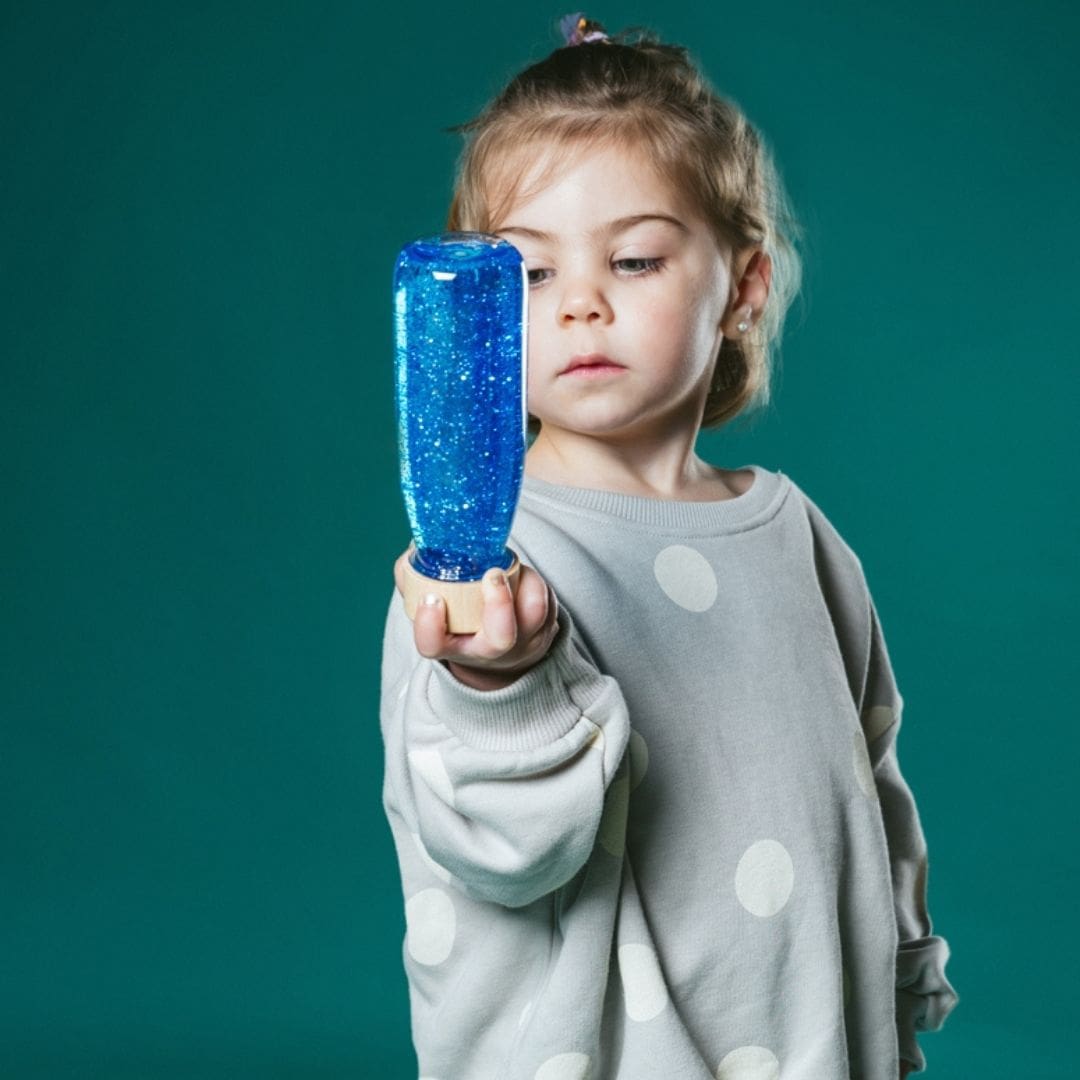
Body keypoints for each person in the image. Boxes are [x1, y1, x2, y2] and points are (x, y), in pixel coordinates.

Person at [379, 14, 959, 1079]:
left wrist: (901, 982)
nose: (581, 303)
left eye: (635, 258)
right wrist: (500, 687)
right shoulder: (487, 572)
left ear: (743, 286)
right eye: (530, 273)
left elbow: (870, 792)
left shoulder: (799, 539)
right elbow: (503, 855)